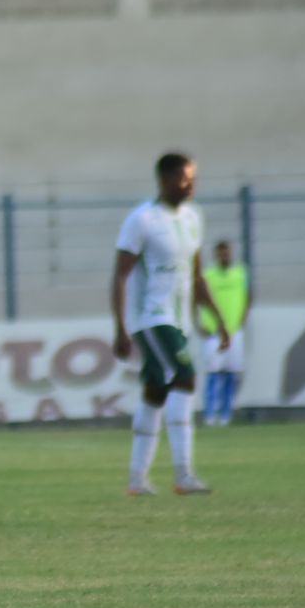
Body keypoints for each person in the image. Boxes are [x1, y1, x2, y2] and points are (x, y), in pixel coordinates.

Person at [111, 153, 231, 497]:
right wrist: (120, 327)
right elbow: (120, 275)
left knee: (156, 392)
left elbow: (197, 275)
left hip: (178, 321)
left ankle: (137, 480)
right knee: (185, 377)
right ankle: (184, 474)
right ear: (164, 180)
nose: (191, 184)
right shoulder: (143, 220)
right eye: (184, 179)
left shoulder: (194, 218)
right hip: (150, 317)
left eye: (193, 178)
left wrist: (218, 319)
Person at [199, 239, 251, 426]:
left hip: (234, 331)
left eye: (227, 252)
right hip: (213, 331)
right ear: (216, 255)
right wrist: (200, 322)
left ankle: (226, 415)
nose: (225, 256)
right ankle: (210, 415)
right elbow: (199, 299)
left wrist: (242, 319)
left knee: (231, 372)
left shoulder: (240, 273)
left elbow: (247, 296)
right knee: (213, 372)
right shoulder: (208, 275)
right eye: (221, 253)